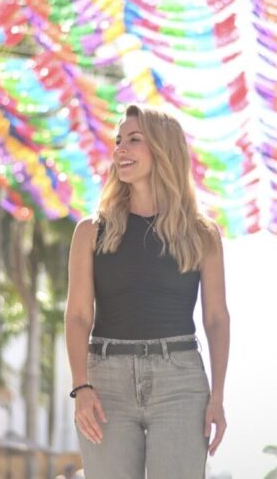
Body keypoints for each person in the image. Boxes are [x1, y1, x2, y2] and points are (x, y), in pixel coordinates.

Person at [64, 103, 230, 478]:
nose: (120, 149)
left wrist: (217, 394)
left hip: (181, 383)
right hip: (106, 385)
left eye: (134, 140)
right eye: (118, 140)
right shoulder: (91, 232)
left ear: (164, 148)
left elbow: (216, 318)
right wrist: (81, 387)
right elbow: (77, 316)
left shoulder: (202, 235)